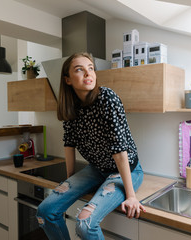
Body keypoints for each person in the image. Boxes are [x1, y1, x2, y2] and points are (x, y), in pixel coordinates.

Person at [36, 52, 145, 240]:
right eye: (80, 70)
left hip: (125, 170)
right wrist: (70, 180)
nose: (88, 73)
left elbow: (119, 150)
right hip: (96, 169)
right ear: (68, 80)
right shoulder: (71, 106)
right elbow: (69, 142)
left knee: (85, 224)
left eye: (91, 68)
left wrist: (131, 195)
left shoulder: (106, 98)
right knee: (45, 212)